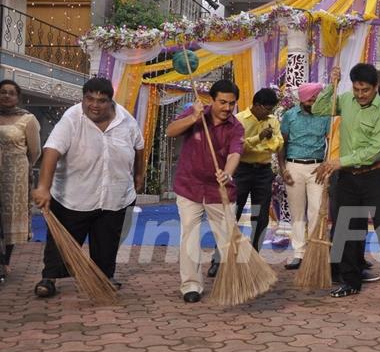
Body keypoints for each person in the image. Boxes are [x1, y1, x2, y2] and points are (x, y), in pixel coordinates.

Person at [31, 78, 144, 298]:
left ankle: (103, 276)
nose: (94, 105)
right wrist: (44, 187)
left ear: (111, 102)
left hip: (114, 195)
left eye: (101, 101)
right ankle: (50, 278)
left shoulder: (126, 120)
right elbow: (51, 151)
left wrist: (139, 175)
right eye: (89, 99)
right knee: (61, 241)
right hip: (74, 194)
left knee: (107, 241)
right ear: (83, 98)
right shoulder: (72, 118)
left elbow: (139, 147)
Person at [313, 63, 380, 302]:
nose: (360, 94)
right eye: (356, 89)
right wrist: (330, 84)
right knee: (347, 229)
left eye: (365, 90)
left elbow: (375, 150)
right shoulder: (345, 100)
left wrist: (339, 161)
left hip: (373, 175)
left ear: (376, 87)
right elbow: (319, 108)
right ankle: (350, 282)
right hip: (347, 177)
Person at [167, 80, 244, 303]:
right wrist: (193, 118)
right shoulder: (195, 112)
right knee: (189, 236)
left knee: (229, 239)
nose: (227, 108)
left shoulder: (236, 127)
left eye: (231, 103)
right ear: (212, 99)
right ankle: (191, 286)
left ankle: (234, 283)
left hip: (219, 190)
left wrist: (227, 173)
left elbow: (234, 154)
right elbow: (170, 131)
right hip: (189, 187)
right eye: (222, 102)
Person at [208, 87, 283, 276]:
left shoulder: (273, 121)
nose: (269, 113)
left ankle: (253, 259)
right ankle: (219, 258)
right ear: (256, 106)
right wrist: (260, 138)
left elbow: (278, 144)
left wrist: (261, 143)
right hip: (241, 170)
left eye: (271, 110)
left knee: (261, 217)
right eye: (266, 109)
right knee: (232, 213)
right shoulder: (239, 119)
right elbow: (239, 147)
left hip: (263, 172)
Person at [278, 82, 330, 270]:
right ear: (302, 98)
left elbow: (331, 142)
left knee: (317, 211)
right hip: (294, 166)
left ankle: (315, 252)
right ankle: (299, 253)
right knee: (297, 213)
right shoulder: (290, 116)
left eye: (315, 97)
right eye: (310, 98)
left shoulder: (325, 115)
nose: (313, 100)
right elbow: (281, 144)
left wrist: (326, 164)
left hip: (318, 168)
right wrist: (283, 169)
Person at [0, 80, 41, 274]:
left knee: (10, 218)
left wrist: (22, 166)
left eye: (11, 93)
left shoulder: (28, 119)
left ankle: (5, 262)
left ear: (18, 97)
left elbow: (35, 151)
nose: (6, 96)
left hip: (15, 174)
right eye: (3, 92)